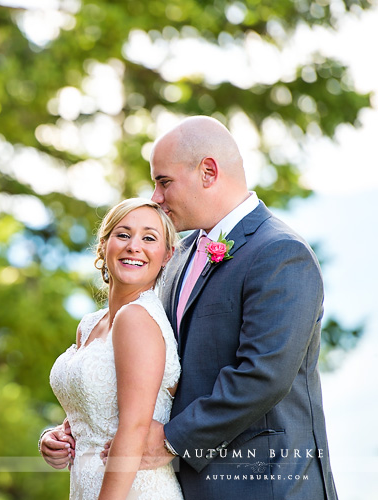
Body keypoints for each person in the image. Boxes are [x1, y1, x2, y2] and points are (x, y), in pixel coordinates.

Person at [41, 116, 338, 499]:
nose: (155, 197)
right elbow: (149, 369)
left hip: (264, 484)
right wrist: (77, 425)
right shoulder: (176, 256)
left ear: (208, 172)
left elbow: (263, 375)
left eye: (163, 181)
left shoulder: (280, 253)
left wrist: (169, 439)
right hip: (183, 483)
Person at [48, 198, 183, 500]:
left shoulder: (138, 318)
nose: (134, 246)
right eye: (123, 234)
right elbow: (94, 409)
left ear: (167, 255)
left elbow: (134, 428)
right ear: (104, 244)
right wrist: (57, 437)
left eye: (149, 238)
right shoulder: (89, 324)